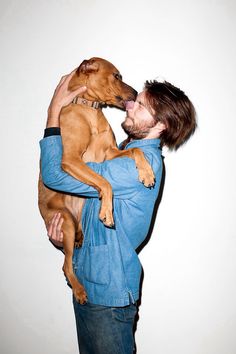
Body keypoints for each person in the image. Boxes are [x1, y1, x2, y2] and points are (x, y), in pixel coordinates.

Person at [39, 69, 197, 354]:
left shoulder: (137, 166)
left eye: (140, 105)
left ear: (160, 125)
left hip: (107, 299)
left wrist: (53, 113)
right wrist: (66, 239)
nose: (130, 103)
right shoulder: (127, 154)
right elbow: (91, 217)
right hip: (91, 287)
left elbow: (55, 175)